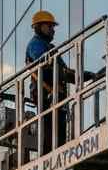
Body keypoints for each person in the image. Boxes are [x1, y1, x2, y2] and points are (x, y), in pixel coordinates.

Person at [25, 9, 96, 154]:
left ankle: (58, 153)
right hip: (45, 94)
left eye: (53, 27)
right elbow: (47, 66)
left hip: (56, 95)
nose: (53, 30)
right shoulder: (36, 44)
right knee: (50, 129)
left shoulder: (49, 48)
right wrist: (84, 75)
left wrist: (88, 76)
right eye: (49, 26)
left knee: (59, 130)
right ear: (38, 27)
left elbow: (65, 73)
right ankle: (49, 156)